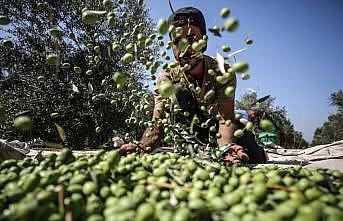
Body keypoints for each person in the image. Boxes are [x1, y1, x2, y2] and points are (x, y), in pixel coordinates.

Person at [118, 7, 266, 165]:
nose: (184, 47)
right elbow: (158, 124)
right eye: (177, 41)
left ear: (204, 41)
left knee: (254, 157)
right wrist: (142, 146)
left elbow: (225, 119)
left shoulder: (222, 71)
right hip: (190, 132)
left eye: (191, 39)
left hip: (220, 129)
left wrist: (226, 147)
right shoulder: (166, 78)